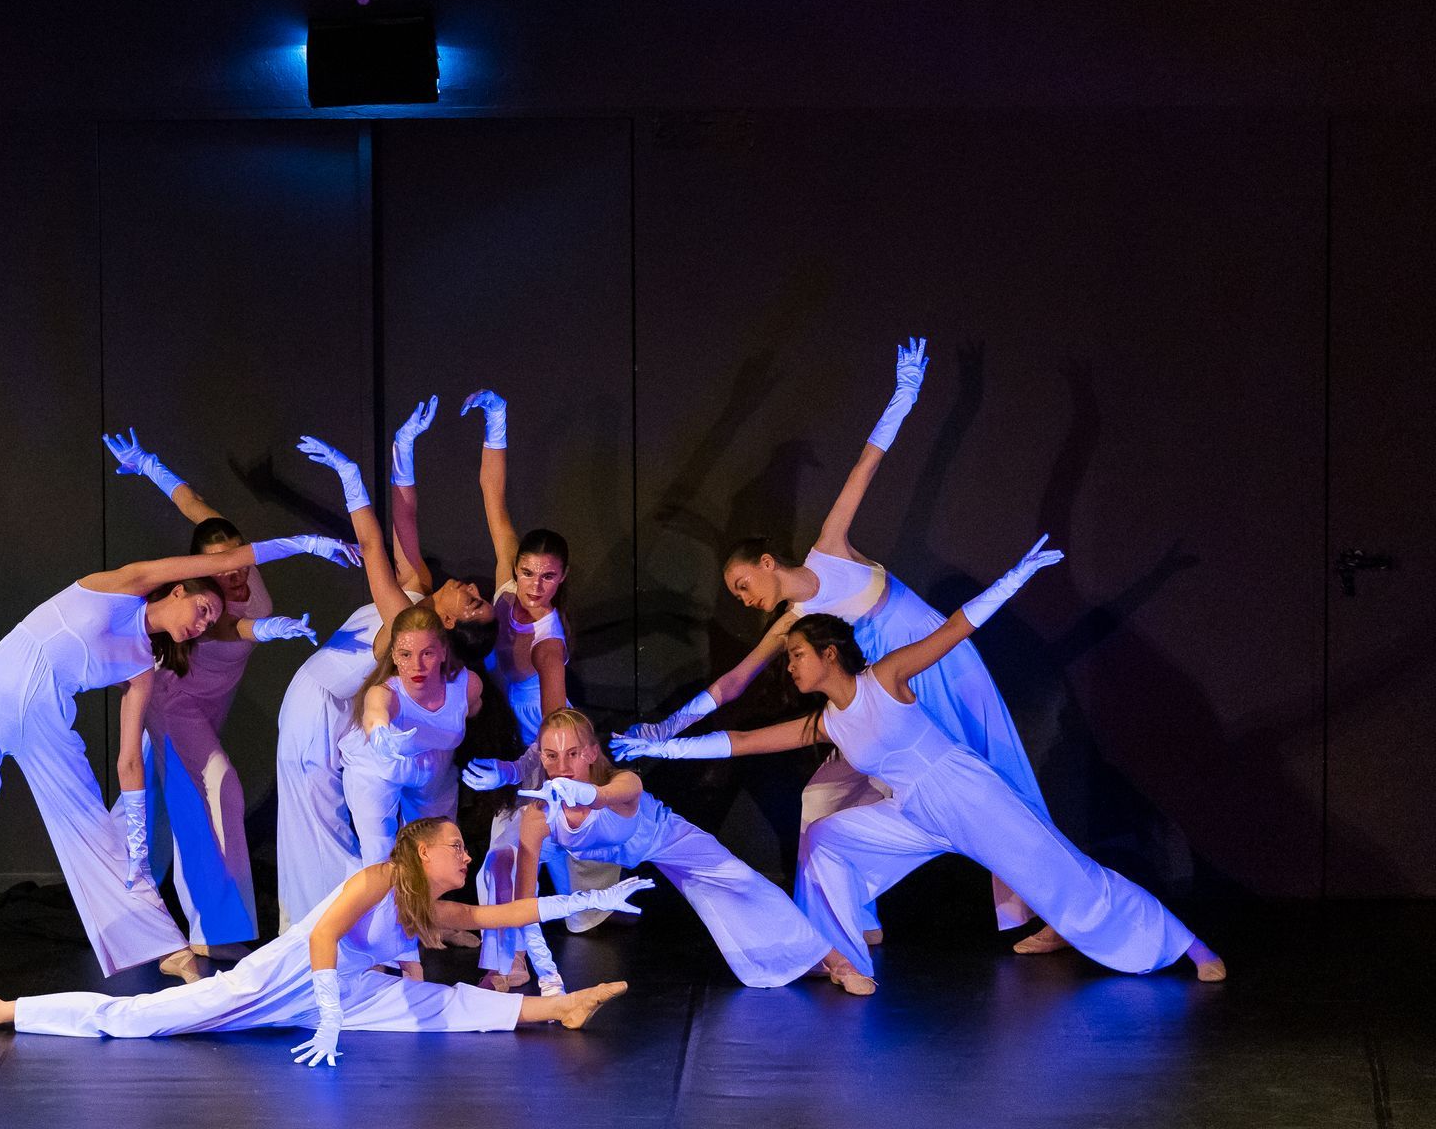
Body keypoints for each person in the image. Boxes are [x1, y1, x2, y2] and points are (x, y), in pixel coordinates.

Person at [614, 539, 1227, 986]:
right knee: (826, 838)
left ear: (830, 655)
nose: (790, 665)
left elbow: (957, 627)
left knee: (1067, 877)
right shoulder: (825, 722)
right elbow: (741, 742)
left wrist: (1016, 575)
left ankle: (1188, 945)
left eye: (798, 655)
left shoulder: (885, 677)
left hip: (967, 798)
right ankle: (843, 956)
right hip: (914, 814)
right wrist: (663, 744)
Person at [618, 339, 1066, 952]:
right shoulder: (796, 621)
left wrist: (904, 394)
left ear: (769, 562)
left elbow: (867, 464)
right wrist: (667, 729)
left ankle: (1057, 913)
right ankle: (852, 920)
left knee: (998, 771)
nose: (742, 598)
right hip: (886, 688)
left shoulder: (830, 549)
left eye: (744, 584)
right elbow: (735, 681)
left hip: (936, 654)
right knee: (824, 796)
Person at [0, 533, 356, 999]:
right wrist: (309, 544)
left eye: (212, 620)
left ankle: (165, 946)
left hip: (45, 720)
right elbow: (236, 556)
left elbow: (130, 762)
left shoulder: (141, 668)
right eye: (202, 610)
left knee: (93, 832)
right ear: (178, 590)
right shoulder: (120, 587)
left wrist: (137, 844)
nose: (203, 624)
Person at [0, 817, 644, 1064]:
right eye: (456, 847)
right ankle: (9, 1008)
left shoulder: (435, 908)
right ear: (421, 855)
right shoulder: (380, 877)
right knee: (142, 1023)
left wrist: (594, 896)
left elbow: (505, 916)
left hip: (348, 984)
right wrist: (328, 1013)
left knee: (437, 1011)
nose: (465, 857)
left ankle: (560, 1010)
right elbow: (327, 933)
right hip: (290, 972)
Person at [465, 708, 872, 993]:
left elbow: (621, 791)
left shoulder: (621, 783)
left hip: (657, 834)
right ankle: (505, 965)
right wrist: (550, 978)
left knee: (737, 878)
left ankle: (834, 959)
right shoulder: (540, 815)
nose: (563, 765)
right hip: (582, 849)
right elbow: (525, 902)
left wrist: (588, 794)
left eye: (573, 753)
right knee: (501, 861)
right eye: (552, 756)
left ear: (591, 753)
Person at [102, 428, 316, 960]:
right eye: (222, 568)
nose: (236, 573)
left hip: (205, 709)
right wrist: (267, 630)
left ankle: (121, 902)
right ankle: (215, 932)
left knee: (152, 807)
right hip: (174, 704)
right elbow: (228, 632)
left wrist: (149, 463)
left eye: (240, 560)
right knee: (218, 791)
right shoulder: (209, 603)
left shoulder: (239, 562)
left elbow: (197, 508)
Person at [274, 418, 493, 926]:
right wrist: (404, 448)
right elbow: (405, 520)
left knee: (327, 821)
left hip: (333, 705)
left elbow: (373, 546)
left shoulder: (403, 619)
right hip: (326, 695)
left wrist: (350, 477)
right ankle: (319, 928)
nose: (472, 588)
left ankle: (345, 927)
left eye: (475, 602)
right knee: (316, 820)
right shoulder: (418, 585)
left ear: (449, 625)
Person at [461, 388, 623, 986]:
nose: (533, 582)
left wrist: (517, 777)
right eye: (527, 571)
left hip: (543, 750)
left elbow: (556, 740)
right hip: (510, 738)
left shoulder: (550, 646)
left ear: (563, 579)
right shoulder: (508, 584)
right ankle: (570, 906)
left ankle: (511, 961)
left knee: (508, 856)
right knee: (517, 859)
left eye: (547, 576)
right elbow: (492, 495)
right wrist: (497, 419)